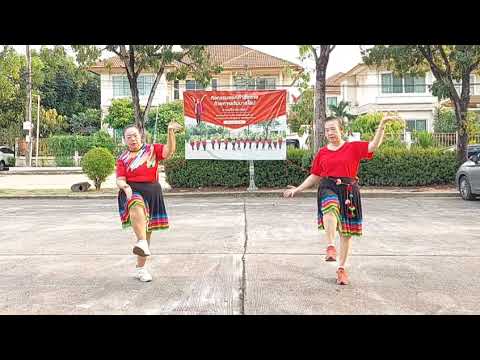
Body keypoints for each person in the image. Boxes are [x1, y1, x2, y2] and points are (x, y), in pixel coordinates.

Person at [283, 114, 398, 285]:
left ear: (341, 130)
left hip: (349, 190)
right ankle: (330, 247)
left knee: (346, 234)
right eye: (327, 130)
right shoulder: (322, 153)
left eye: (333, 129)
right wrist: (298, 189)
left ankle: (341, 269)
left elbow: (373, 146)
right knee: (330, 207)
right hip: (328, 186)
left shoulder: (353, 148)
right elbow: (315, 175)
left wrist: (381, 126)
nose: (330, 133)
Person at [116, 121, 182, 282]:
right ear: (124, 140)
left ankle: (141, 268)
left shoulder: (152, 149)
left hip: (152, 192)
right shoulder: (122, 158)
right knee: (136, 204)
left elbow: (169, 151)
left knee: (146, 232)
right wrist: (126, 187)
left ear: (141, 136)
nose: (132, 139)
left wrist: (170, 132)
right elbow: (119, 179)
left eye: (135, 135)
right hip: (132, 191)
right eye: (128, 137)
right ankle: (142, 244)